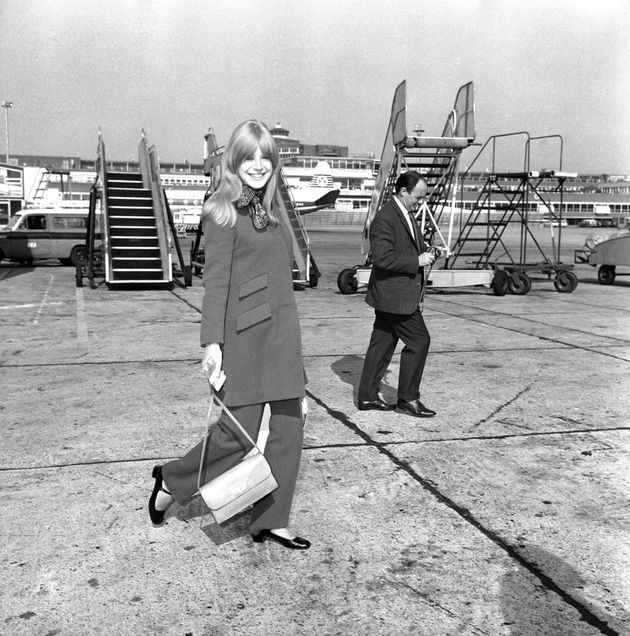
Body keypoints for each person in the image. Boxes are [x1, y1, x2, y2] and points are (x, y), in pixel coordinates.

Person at [148, 120, 310, 550]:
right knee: (236, 435)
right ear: (233, 161)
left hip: (282, 335)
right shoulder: (221, 209)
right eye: (248, 157)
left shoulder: (274, 208)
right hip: (245, 337)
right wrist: (212, 344)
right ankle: (172, 479)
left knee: (290, 428)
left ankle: (271, 521)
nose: (258, 165)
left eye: (265, 157)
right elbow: (216, 283)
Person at [357, 171, 437, 418]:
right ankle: (408, 399)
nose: (420, 202)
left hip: (392, 295)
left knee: (382, 345)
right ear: (403, 192)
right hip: (396, 296)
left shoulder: (405, 214)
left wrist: (431, 252)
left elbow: (412, 247)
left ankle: (367, 397)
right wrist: (417, 260)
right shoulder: (386, 218)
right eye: (418, 197)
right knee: (419, 341)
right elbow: (382, 258)